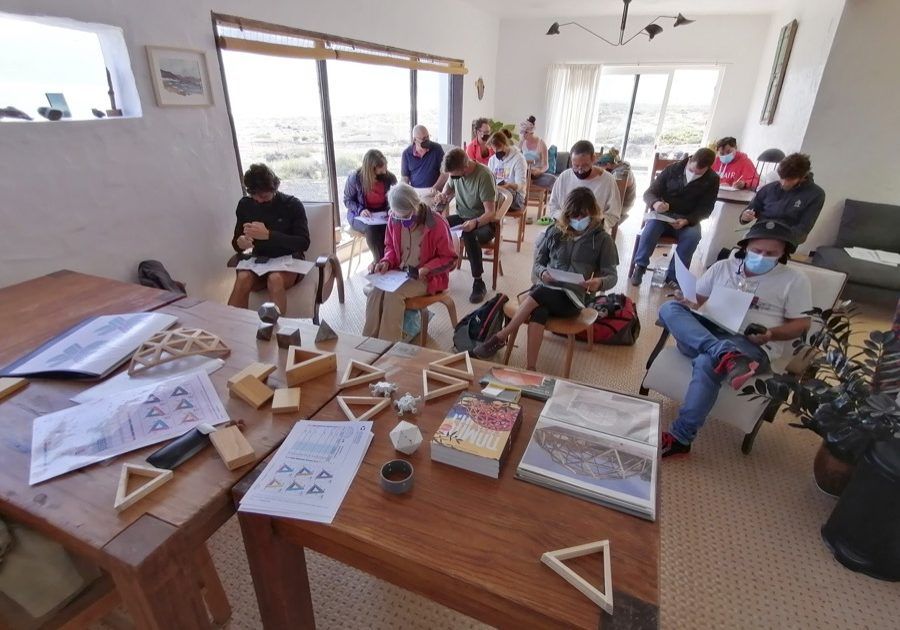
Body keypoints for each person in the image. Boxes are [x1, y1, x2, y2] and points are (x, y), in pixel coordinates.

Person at [657, 220, 812, 457]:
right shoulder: (724, 267)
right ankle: (723, 352)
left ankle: (681, 437)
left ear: (783, 254)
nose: (762, 257)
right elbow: (698, 298)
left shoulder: (794, 280)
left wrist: (770, 334)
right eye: (757, 251)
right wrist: (686, 297)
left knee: (707, 363)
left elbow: (802, 324)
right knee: (670, 309)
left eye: (771, 253)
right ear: (746, 246)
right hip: (710, 330)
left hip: (750, 343)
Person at [472, 188, 618, 367]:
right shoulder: (555, 231)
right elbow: (538, 263)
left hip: (573, 299)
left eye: (583, 216)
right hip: (547, 290)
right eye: (574, 216)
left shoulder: (603, 240)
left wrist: (600, 282)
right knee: (539, 310)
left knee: (539, 292)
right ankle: (531, 368)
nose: (578, 220)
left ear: (593, 213)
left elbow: (612, 275)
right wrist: (542, 273)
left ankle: (502, 335)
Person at [363, 184, 457, 342]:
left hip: (426, 278)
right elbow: (390, 247)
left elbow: (449, 259)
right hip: (400, 273)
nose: (402, 220)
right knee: (375, 290)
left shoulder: (437, 223)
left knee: (393, 295)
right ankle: (369, 342)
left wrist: (427, 268)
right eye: (398, 216)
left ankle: (388, 347)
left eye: (407, 216)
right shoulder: (394, 218)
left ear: (416, 205)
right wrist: (386, 261)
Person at [227, 164, 310, 314]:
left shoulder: (291, 204)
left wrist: (269, 235)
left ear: (274, 189)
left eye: (264, 196)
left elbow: (303, 243)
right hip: (260, 261)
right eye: (255, 196)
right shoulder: (245, 205)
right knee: (243, 277)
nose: (259, 200)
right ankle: (233, 328)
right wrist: (241, 243)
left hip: (289, 261)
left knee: (275, 278)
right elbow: (236, 242)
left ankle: (274, 333)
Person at [631, 148, 720, 287]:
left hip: (688, 219)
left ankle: (674, 275)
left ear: (708, 168)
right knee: (651, 228)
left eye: (699, 173)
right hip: (663, 215)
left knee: (693, 237)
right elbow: (649, 193)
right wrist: (656, 203)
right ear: (690, 160)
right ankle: (640, 266)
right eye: (692, 170)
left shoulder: (712, 179)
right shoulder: (672, 169)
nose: (694, 174)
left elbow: (706, 208)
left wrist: (687, 220)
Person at [435, 148, 498, 303]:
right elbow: (448, 189)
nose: (452, 178)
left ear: (464, 167)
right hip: (462, 217)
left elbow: (491, 213)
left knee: (469, 234)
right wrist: (443, 196)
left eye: (453, 175)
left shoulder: (484, 176)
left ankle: (478, 282)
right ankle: (437, 273)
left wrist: (475, 222)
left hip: (484, 223)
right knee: (436, 225)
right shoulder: (455, 174)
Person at [739, 153, 825, 245]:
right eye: (782, 178)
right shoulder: (769, 188)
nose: (783, 183)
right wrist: (745, 217)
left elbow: (803, 229)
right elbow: (751, 209)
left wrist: (779, 240)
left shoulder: (816, 194)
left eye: (789, 180)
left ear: (803, 177)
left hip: (786, 239)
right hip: (759, 232)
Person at [547, 140, 622, 235]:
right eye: (576, 166)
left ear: (593, 159)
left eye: (585, 166)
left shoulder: (607, 180)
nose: (580, 171)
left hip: (594, 234)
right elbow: (553, 206)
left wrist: (595, 225)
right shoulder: (564, 177)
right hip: (566, 229)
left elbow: (614, 214)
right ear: (571, 161)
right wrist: (566, 221)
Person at [344, 149, 397, 262]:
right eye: (380, 171)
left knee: (394, 223)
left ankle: (391, 260)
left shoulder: (388, 178)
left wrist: (390, 209)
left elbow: (393, 199)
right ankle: (379, 261)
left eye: (385, 168)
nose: (384, 173)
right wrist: (360, 210)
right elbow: (347, 200)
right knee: (372, 230)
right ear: (371, 170)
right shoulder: (355, 178)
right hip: (359, 215)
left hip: (381, 214)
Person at [487, 131, 528, 210]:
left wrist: (508, 185)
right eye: (493, 149)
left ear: (505, 144)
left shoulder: (519, 159)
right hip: (496, 192)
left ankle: (492, 217)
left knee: (493, 199)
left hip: (516, 197)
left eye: (499, 148)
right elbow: (489, 180)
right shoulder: (492, 160)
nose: (496, 151)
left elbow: (521, 186)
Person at [401, 125, 447, 192]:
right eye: (423, 139)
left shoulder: (437, 149)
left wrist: (435, 188)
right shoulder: (406, 153)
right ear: (414, 140)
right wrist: (406, 192)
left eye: (428, 137)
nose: (427, 141)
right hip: (415, 192)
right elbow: (405, 178)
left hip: (433, 191)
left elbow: (445, 172)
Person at [597, 148, 636, 222]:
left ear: (608, 165)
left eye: (601, 167)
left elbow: (611, 193)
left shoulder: (620, 174)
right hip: (623, 202)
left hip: (622, 205)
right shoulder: (620, 167)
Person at [518, 116, 557, 189]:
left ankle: (528, 184)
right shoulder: (522, 143)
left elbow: (545, 165)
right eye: (522, 132)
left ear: (531, 132)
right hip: (524, 173)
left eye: (526, 133)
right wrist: (521, 142)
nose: (523, 135)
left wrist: (539, 171)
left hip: (536, 175)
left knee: (553, 179)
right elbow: (517, 158)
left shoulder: (541, 143)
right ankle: (524, 189)